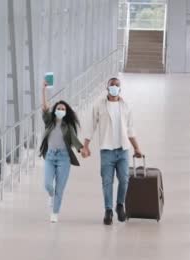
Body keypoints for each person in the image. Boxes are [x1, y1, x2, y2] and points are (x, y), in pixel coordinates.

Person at [82, 77, 143, 225]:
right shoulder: (99, 106)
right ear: (107, 88)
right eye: (112, 85)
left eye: (117, 85)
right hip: (107, 151)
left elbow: (130, 129)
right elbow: (91, 126)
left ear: (120, 88)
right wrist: (86, 145)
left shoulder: (126, 106)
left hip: (123, 150)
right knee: (107, 182)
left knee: (124, 180)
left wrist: (136, 148)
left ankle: (120, 205)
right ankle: (108, 210)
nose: (114, 87)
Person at [40, 80, 85, 223]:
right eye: (58, 108)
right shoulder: (49, 122)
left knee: (60, 187)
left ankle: (55, 213)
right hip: (50, 156)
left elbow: (74, 140)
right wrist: (43, 91)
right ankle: (50, 195)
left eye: (63, 109)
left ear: (66, 112)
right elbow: (45, 108)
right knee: (48, 184)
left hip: (64, 158)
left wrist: (82, 149)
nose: (60, 110)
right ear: (55, 110)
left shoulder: (68, 127)